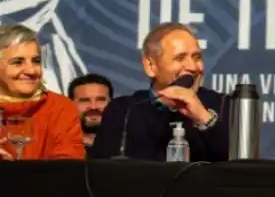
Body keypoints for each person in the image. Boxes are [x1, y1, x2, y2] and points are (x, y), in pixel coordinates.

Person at [89, 23, 229, 161]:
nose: (192, 67)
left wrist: (203, 118)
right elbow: (102, 172)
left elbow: (240, 168)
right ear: (151, 66)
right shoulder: (125, 111)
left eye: (197, 57)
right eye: (180, 58)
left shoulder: (223, 105)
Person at [0, 24, 85, 160]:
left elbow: (68, 170)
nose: (32, 70)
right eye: (18, 62)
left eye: (36, 61)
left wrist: (13, 172)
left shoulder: (59, 107)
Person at [68, 73, 113, 150]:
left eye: (100, 100)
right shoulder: (54, 150)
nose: (93, 107)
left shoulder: (129, 148)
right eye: (84, 100)